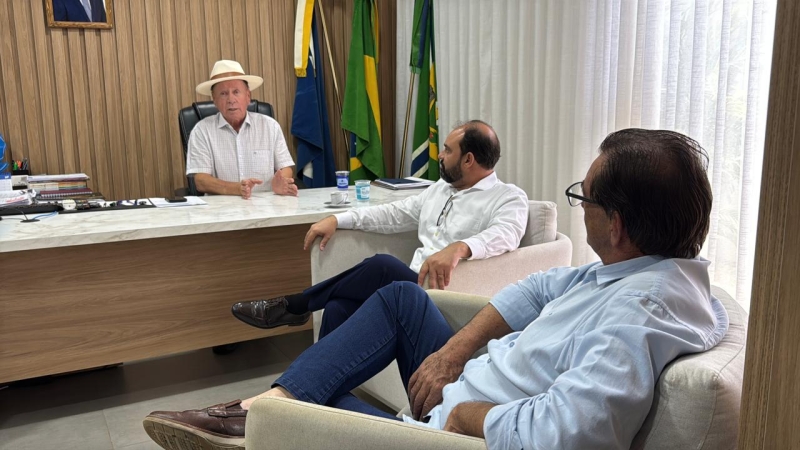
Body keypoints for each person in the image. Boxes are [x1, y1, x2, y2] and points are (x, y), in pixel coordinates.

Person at [143, 128, 728, 450]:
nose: (580, 208)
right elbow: (538, 287)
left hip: (449, 432)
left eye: (585, 198)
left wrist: (466, 416)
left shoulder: (638, 310)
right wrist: (453, 353)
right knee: (391, 295)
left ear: (617, 225)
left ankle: (258, 413)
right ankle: (266, 404)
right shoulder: (633, 270)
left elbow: (566, 435)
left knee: (309, 393)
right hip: (457, 385)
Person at [229, 120, 530, 336]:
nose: (439, 155)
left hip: (445, 295)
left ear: (468, 160)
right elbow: (394, 214)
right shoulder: (439, 189)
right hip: (411, 285)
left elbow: (507, 234)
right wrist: (339, 219)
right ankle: (318, 392)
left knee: (383, 266)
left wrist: (460, 247)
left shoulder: (508, 197)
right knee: (337, 306)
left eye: (447, 151)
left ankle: (296, 305)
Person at [187, 60, 298, 199]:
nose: (231, 99)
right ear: (214, 100)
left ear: (248, 96)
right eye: (223, 93)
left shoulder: (270, 126)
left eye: (236, 92)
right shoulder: (202, 130)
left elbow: (285, 167)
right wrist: (237, 189)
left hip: (266, 205)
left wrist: (281, 181)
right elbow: (201, 181)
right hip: (221, 208)